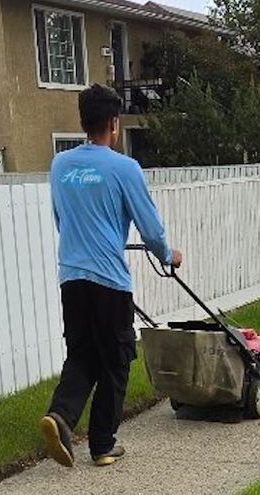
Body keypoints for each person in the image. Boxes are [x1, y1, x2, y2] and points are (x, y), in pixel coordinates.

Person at [39, 83, 181, 468]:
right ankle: (102, 444)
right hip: (108, 280)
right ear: (114, 124)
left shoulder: (60, 166)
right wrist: (169, 255)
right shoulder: (123, 168)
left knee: (83, 354)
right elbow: (149, 228)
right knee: (117, 358)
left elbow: (60, 218)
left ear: (84, 122)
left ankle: (60, 417)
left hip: (71, 275)